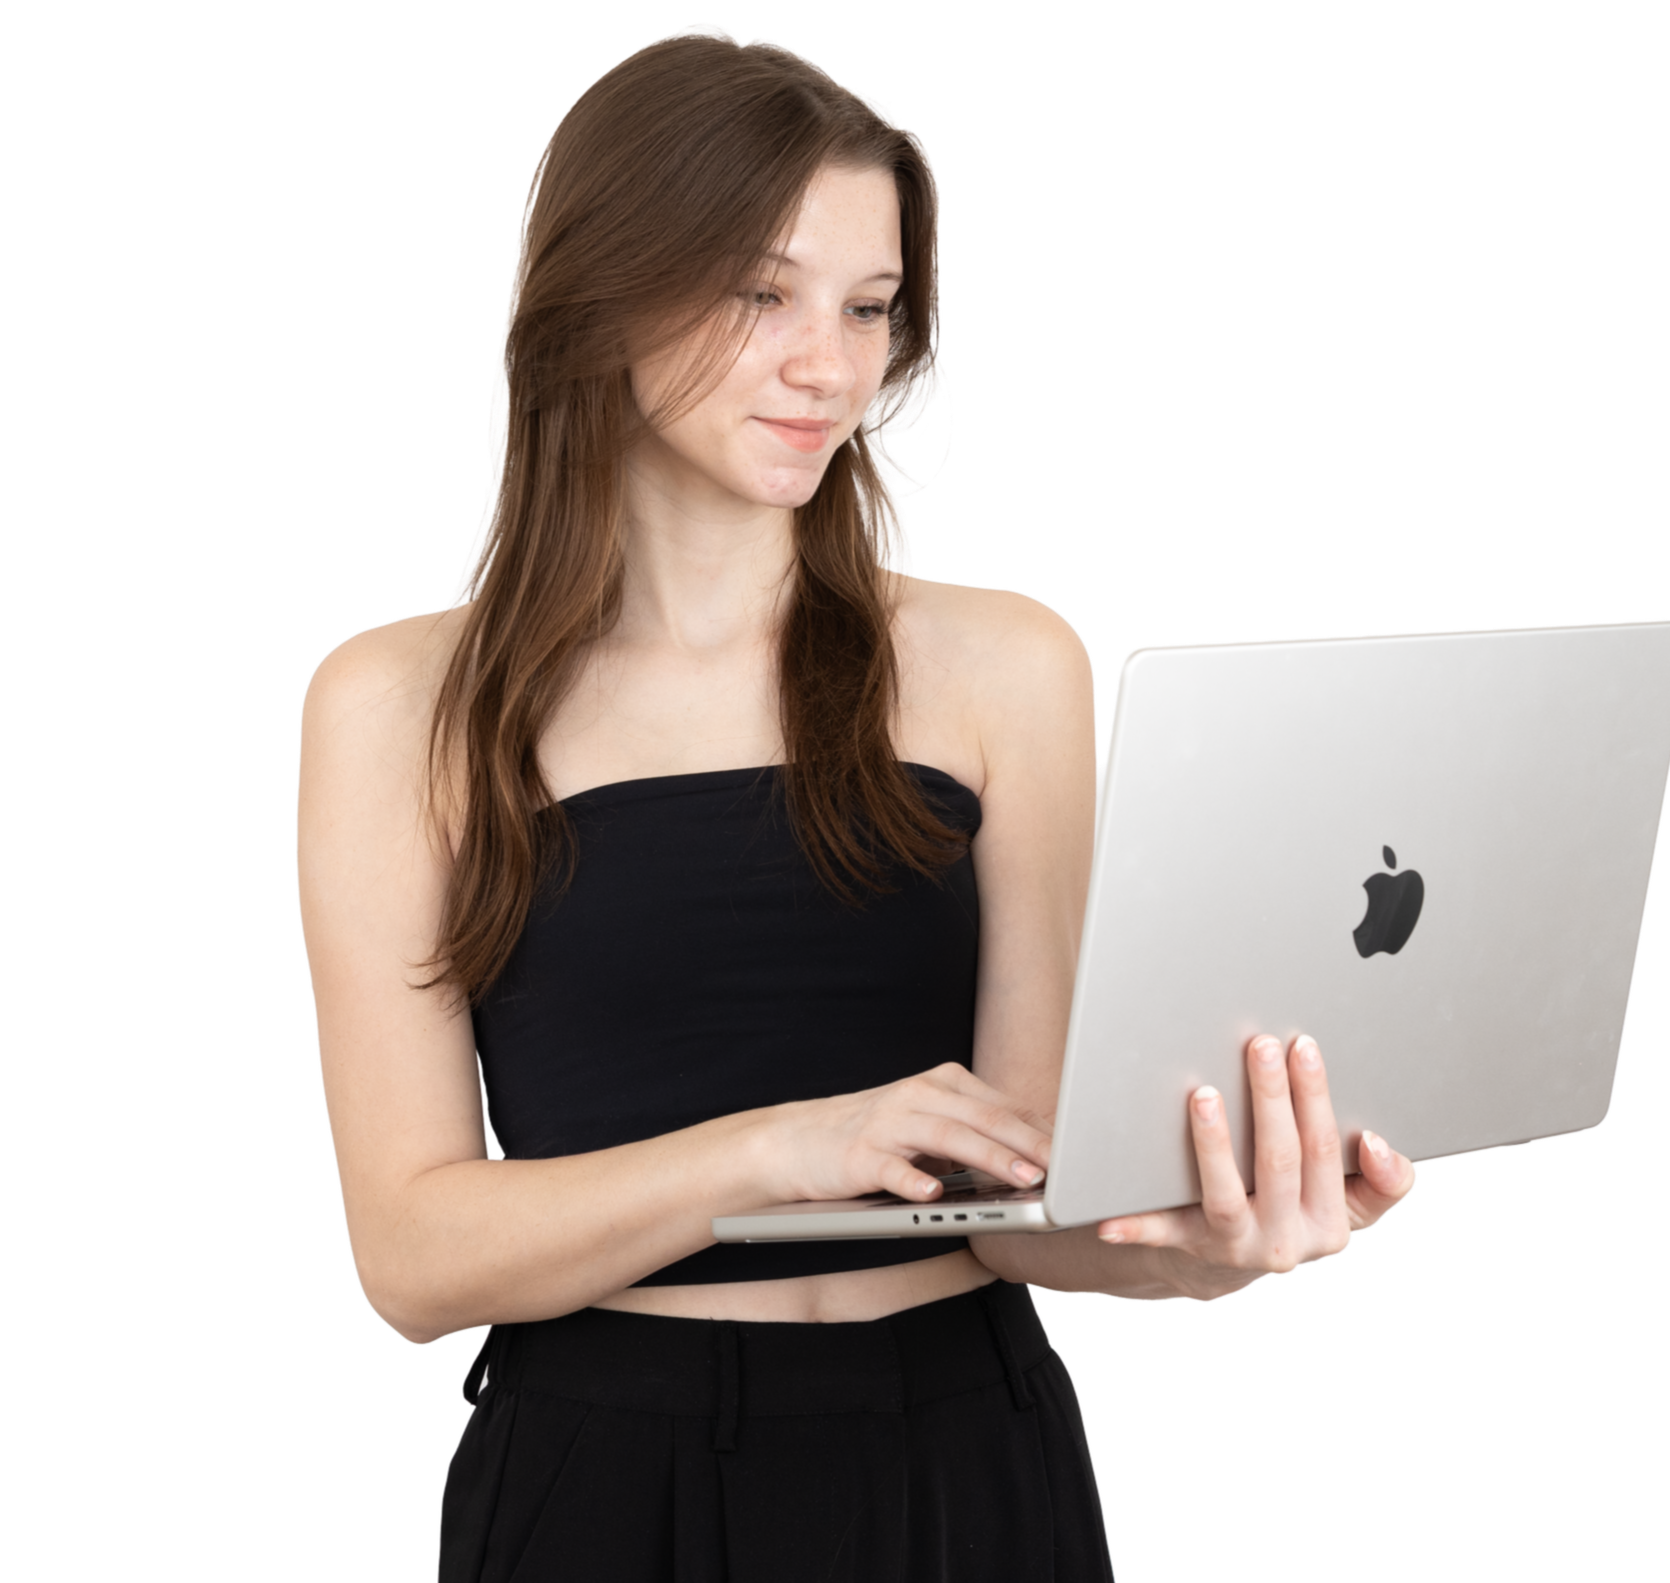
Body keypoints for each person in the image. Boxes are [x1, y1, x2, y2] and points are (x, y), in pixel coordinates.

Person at [296, 25, 1419, 1581]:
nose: (828, 366)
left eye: (869, 306)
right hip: (603, 1472)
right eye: (761, 293)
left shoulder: (1005, 664)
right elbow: (412, 1260)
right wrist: (775, 1151)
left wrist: (1212, 1248)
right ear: (597, 291)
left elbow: (1025, 1208)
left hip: (971, 1447)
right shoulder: (397, 701)